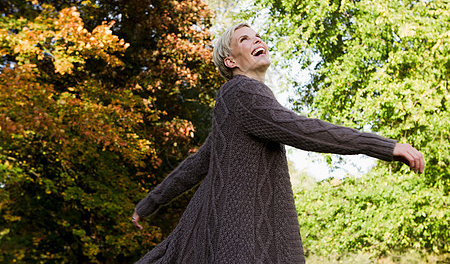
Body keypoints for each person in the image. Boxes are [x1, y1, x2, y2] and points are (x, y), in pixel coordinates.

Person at [132, 23, 425, 263]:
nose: (256, 39)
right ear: (231, 60)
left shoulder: (232, 104)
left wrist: (147, 205)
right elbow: (304, 130)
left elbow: (196, 164)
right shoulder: (243, 93)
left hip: (220, 236)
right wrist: (382, 145)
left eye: (257, 36)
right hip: (241, 243)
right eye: (244, 38)